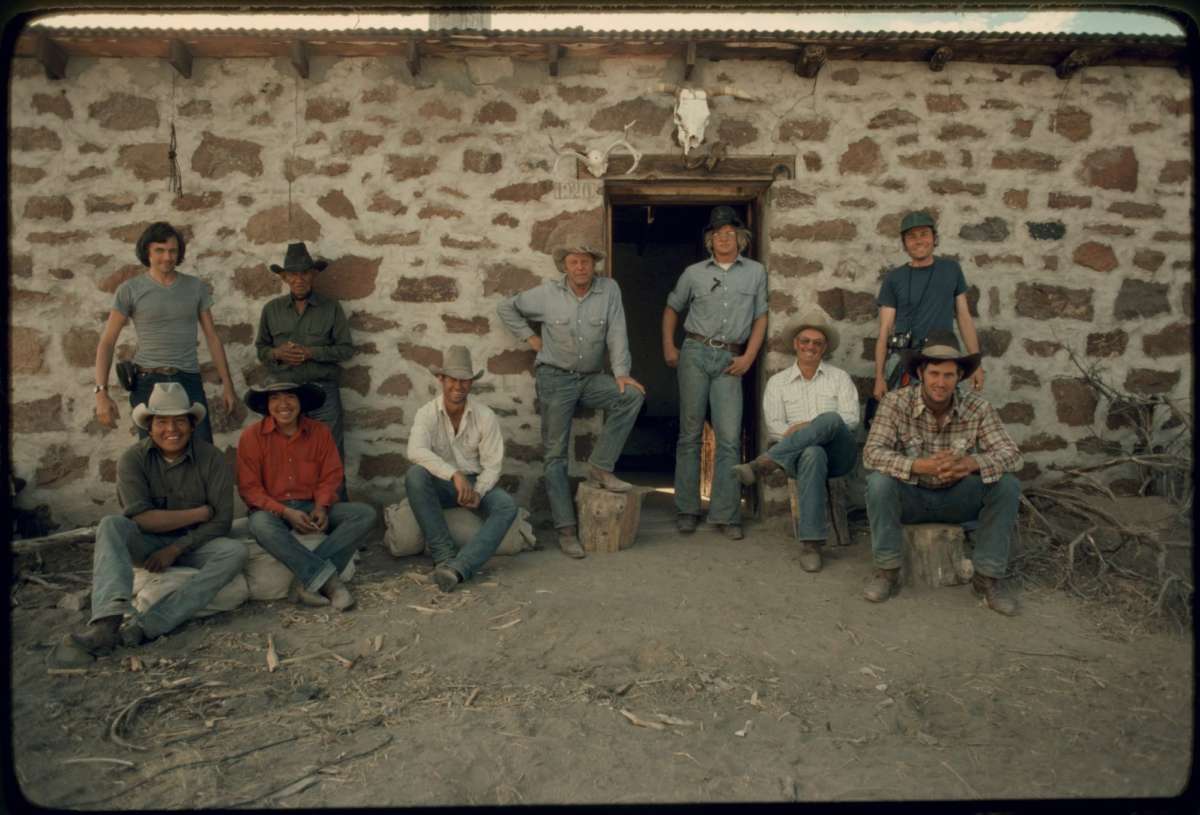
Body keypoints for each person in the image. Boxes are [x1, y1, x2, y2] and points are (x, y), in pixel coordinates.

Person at [64, 382, 247, 658]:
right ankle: (106, 625)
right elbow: (143, 520)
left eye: (179, 421)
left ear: (192, 424)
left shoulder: (212, 458)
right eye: (162, 422)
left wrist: (176, 548)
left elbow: (221, 522)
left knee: (235, 551)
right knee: (111, 525)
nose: (171, 430)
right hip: (148, 545)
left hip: (196, 544)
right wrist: (199, 513)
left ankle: (149, 625)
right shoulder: (132, 460)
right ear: (149, 426)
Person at [496, 238, 645, 559]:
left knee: (631, 396)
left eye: (586, 262)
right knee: (555, 455)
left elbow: (618, 331)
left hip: (591, 378)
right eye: (574, 262)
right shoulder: (547, 294)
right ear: (564, 265)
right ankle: (565, 530)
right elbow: (506, 307)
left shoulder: (609, 290)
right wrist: (531, 338)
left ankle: (601, 466)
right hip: (555, 379)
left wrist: (620, 372)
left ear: (594, 265)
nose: (580, 267)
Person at [862, 331, 1023, 614]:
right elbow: (871, 453)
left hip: (957, 499)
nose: (940, 383)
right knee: (878, 483)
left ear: (959, 376)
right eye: (934, 373)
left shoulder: (978, 408)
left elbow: (1012, 455)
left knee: (1007, 485)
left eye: (948, 375)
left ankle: (987, 578)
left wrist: (970, 463)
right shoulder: (895, 403)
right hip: (910, 499)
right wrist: (918, 465)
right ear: (921, 373)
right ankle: (887, 571)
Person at [662, 205, 768, 539]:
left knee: (729, 437)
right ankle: (687, 509)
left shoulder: (755, 272)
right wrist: (669, 346)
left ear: (741, 238)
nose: (724, 237)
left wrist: (750, 356)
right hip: (694, 352)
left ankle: (726, 513)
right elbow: (672, 308)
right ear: (710, 240)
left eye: (730, 232)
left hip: (730, 359)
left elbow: (760, 317)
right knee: (689, 434)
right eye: (717, 233)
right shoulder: (693, 273)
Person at [732, 310, 858, 572]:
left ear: (824, 348)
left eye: (817, 343)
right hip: (800, 458)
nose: (810, 347)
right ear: (795, 345)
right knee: (812, 452)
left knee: (832, 419)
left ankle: (764, 464)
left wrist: (808, 425)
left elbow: (851, 420)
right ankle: (811, 545)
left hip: (839, 454)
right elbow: (776, 427)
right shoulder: (778, 383)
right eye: (805, 341)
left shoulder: (840, 378)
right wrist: (808, 432)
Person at [236, 378, 375, 611]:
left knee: (364, 514)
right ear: (267, 405)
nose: (283, 404)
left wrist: (321, 506)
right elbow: (249, 489)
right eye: (275, 398)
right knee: (259, 524)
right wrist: (286, 512)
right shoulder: (252, 436)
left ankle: (304, 581)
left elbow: (331, 476)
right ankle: (331, 584)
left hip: (311, 506)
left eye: (290, 396)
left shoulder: (320, 432)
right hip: (274, 510)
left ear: (301, 401)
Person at [93, 221, 237, 444]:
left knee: (201, 452)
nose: (167, 257)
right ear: (147, 252)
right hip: (148, 381)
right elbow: (107, 342)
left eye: (172, 251)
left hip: (188, 379)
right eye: (159, 250)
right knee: (153, 456)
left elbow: (212, 338)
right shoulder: (130, 290)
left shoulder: (195, 287)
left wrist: (228, 385)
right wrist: (101, 393)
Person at [405, 346, 518, 592]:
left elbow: (492, 464)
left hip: (476, 483)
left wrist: (478, 490)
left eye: (464, 380)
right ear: (441, 380)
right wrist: (454, 474)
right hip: (443, 484)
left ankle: (458, 568)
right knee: (415, 475)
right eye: (452, 379)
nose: (458, 386)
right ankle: (444, 556)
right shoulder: (427, 414)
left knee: (507, 505)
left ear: (471, 383)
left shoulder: (484, 415)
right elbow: (414, 451)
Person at [254, 242, 354, 479]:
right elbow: (261, 350)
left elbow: (346, 349)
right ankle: (292, 511)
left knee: (330, 454)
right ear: (285, 278)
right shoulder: (271, 309)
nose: (299, 279)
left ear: (313, 274)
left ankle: (336, 511)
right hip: (284, 395)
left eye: (304, 273)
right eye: (292, 274)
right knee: (285, 456)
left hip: (323, 393)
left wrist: (312, 353)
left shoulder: (331, 308)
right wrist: (277, 354)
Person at [872, 210, 984, 404]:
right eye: (911, 236)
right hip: (904, 362)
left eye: (924, 234)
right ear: (904, 243)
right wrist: (879, 377)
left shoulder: (951, 270)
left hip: (941, 360)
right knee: (901, 421)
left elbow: (964, 316)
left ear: (934, 238)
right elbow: (885, 330)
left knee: (941, 419)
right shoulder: (894, 278)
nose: (918, 240)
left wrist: (976, 364)